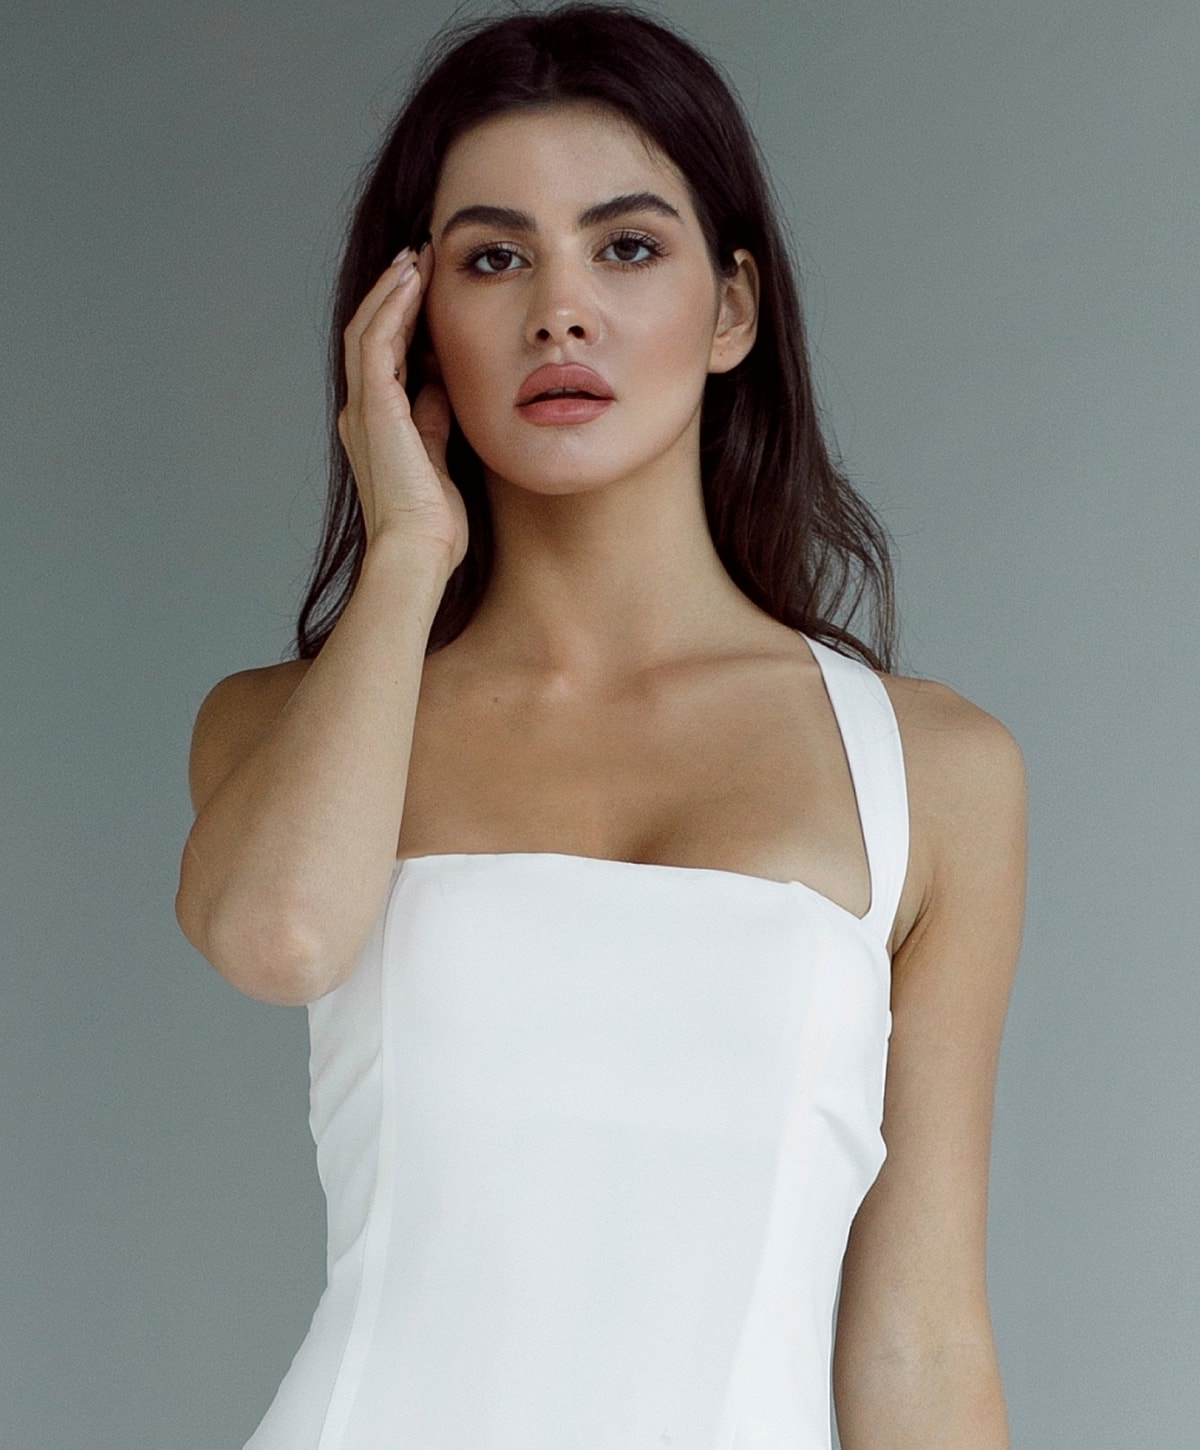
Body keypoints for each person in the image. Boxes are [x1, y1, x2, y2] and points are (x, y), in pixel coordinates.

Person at [174, 4, 1025, 1446]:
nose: (559, 309)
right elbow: (283, 939)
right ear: (410, 323)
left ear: (733, 309)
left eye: (626, 247)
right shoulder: (287, 727)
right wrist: (402, 557)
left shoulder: (934, 773)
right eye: (493, 258)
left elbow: (922, 1342)